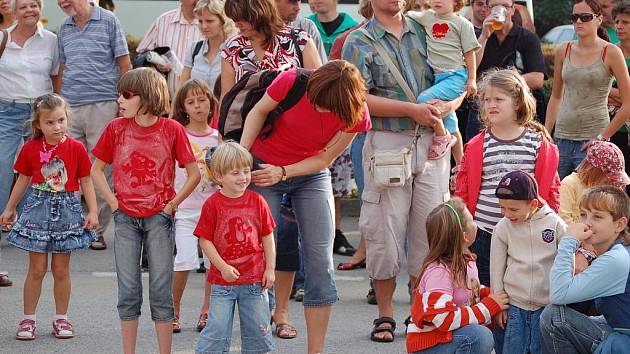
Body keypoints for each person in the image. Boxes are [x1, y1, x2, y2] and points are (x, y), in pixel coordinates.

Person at [342, 0, 464, 342]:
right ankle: (384, 314)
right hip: (387, 141)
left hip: (433, 140)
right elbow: (357, 99)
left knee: (430, 230)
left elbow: (458, 78)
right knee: (383, 231)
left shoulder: (430, 29)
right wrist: (412, 110)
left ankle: (419, 310)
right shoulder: (358, 39)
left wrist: (447, 106)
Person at [240, 60, 371, 353]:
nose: (319, 108)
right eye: (316, 100)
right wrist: (242, 156)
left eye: (326, 106)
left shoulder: (357, 113)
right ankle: (259, 341)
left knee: (320, 263)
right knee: (257, 254)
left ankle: (316, 350)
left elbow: (324, 159)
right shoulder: (292, 81)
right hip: (263, 165)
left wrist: (284, 172)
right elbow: (259, 111)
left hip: (309, 173)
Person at [90, 68, 200, 354]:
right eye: (119, 94)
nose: (120, 100)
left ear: (148, 96)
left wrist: (171, 206)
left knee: (161, 293)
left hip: (159, 219)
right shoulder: (115, 128)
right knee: (128, 292)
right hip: (125, 218)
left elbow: (194, 174)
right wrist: (114, 205)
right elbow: (96, 171)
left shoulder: (171, 129)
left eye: (127, 95)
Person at [0, 94, 98, 340]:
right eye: (50, 122)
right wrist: (10, 208)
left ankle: (61, 319)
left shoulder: (76, 148)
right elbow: (22, 179)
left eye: (61, 120)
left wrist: (94, 211)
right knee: (36, 269)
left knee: (61, 269)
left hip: (67, 211)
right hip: (37, 211)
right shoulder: (31, 149)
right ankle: (28, 319)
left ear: (67, 119)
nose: (57, 127)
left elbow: (86, 179)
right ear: (38, 125)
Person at [455, 69, 561, 287]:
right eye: (486, 100)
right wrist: (462, 230)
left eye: (498, 99)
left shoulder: (538, 143)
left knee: (521, 290)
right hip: (484, 232)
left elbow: (550, 189)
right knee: (485, 290)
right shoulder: (477, 145)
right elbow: (463, 191)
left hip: (526, 231)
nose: (491, 104)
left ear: (517, 102)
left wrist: (549, 226)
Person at [57, 0, 132, 250]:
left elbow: (124, 64)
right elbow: (63, 67)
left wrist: (124, 102)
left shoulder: (109, 21)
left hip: (102, 103)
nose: (62, 2)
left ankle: (96, 230)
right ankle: (70, 226)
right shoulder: (65, 28)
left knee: (99, 168)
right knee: (67, 167)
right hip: (70, 106)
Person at [194, 141, 276, 354]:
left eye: (246, 171)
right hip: (222, 283)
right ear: (219, 176)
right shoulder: (212, 204)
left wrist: (270, 269)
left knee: (259, 332)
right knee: (216, 331)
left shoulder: (258, 201)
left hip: (255, 282)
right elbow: (205, 240)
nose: (243, 177)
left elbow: (267, 236)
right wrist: (221, 267)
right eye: (235, 173)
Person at [0, 0, 60, 287]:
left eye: (35, 5)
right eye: (24, 5)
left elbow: (56, 76)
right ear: (14, 10)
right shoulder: (2, 38)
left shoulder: (51, 41)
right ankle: (5, 224)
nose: (30, 10)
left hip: (41, 114)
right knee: (2, 173)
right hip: (7, 112)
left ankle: (33, 239)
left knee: (41, 176)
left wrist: (56, 113)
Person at [406, 198, 509, 353]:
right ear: (464, 236)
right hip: (429, 344)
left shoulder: (464, 260)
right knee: (479, 337)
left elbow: (468, 292)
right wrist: (488, 306)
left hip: (446, 338)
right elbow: (444, 318)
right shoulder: (439, 272)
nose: (475, 223)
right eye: (472, 220)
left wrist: (488, 294)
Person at [546, 0, 630, 180]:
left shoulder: (611, 52)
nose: (578, 22)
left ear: (599, 19)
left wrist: (603, 137)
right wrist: (547, 133)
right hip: (561, 137)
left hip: (593, 139)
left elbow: (628, 102)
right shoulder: (563, 50)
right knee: (559, 200)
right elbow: (555, 96)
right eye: (574, 17)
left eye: (585, 17)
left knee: (589, 202)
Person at [540, 185, 630, 353]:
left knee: (553, 317)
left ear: (619, 224)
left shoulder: (617, 258)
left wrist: (568, 242)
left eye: (597, 217)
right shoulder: (617, 249)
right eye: (583, 214)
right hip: (620, 331)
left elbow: (558, 295)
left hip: (625, 342)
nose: (587, 223)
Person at [490, 170, 567, 354]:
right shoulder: (502, 228)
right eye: (502, 208)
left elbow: (566, 261)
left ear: (533, 203)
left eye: (513, 209)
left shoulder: (555, 224)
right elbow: (496, 268)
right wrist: (498, 305)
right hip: (514, 307)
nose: (507, 214)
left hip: (546, 307)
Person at [170, 79, 220, 333]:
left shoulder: (218, 137)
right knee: (185, 261)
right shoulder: (178, 133)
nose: (198, 106)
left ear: (211, 103)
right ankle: (174, 310)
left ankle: (207, 310)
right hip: (186, 210)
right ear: (183, 107)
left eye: (202, 100)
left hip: (213, 211)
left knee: (213, 264)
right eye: (191, 102)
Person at [407, 0, 480, 162]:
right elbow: (408, 14)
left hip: (456, 77)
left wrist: (472, 79)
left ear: (456, 2)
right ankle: (460, 165)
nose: (436, 1)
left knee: (423, 101)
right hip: (438, 79)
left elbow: (469, 53)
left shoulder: (462, 24)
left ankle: (442, 137)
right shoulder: (428, 17)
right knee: (452, 124)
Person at [466, 0, 545, 142]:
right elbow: (469, 71)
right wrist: (484, 36)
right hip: (483, 110)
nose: (498, 10)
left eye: (504, 6)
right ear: (488, 9)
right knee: (478, 153)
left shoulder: (528, 38)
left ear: (512, 10)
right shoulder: (476, 36)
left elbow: (537, 79)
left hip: (516, 111)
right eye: (493, 6)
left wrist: (499, 85)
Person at [220, 0, 322, 95]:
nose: (237, 24)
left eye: (243, 18)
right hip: (246, 114)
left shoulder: (301, 40)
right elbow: (227, 101)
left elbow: (319, 90)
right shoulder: (232, 48)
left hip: (294, 113)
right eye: (234, 19)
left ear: (260, 13)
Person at [136, 0, 202, 97]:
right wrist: (155, 61)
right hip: (166, 101)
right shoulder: (163, 21)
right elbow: (141, 55)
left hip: (199, 102)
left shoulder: (212, 24)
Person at [560, 141, 630, 224]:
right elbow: (563, 219)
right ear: (595, 171)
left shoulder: (607, 190)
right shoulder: (570, 184)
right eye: (609, 175)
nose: (611, 181)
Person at [180, 0, 236, 90]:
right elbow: (181, 88)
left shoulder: (234, 51)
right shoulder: (194, 49)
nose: (204, 26)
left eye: (209, 21)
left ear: (223, 22)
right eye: (200, 21)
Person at [608, 2, 630, 193]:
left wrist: (613, 94)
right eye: (617, 21)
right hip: (613, 129)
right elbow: (600, 91)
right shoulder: (610, 53)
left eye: (626, 22)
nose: (619, 26)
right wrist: (624, 96)